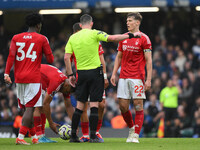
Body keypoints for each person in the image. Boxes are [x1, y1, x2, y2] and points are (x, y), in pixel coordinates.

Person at [64, 14, 140, 143]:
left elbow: (66, 58)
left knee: (80, 105)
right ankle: (93, 136)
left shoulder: (73, 37)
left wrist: (70, 75)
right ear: (91, 23)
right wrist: (130, 35)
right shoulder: (95, 34)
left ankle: (73, 136)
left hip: (81, 73)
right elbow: (113, 38)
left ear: (81, 25)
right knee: (94, 104)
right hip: (95, 73)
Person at [4, 13, 54, 145]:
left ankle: (33, 137)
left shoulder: (16, 37)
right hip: (33, 78)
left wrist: (6, 73)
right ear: (39, 25)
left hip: (19, 78)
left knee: (27, 108)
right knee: (31, 108)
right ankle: (20, 137)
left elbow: (11, 56)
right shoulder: (42, 38)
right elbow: (50, 59)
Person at [111, 12, 152, 143]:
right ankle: (131, 128)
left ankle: (136, 135)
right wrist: (113, 73)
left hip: (137, 77)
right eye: (127, 20)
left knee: (138, 105)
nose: (127, 22)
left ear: (137, 23)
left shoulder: (144, 38)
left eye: (130, 20)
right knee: (123, 106)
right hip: (123, 76)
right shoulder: (123, 37)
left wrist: (149, 79)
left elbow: (149, 60)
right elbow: (119, 56)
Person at [70, 22, 109, 142]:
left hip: (96, 75)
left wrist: (105, 76)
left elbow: (102, 59)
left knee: (101, 104)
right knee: (83, 106)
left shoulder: (93, 40)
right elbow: (68, 59)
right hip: (81, 77)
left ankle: (96, 132)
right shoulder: (74, 42)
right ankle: (86, 134)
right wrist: (70, 75)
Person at [33, 64, 75, 143]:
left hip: (40, 76)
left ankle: (41, 136)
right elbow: (46, 103)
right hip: (34, 75)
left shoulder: (65, 85)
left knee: (41, 107)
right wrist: (51, 123)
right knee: (38, 106)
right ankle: (39, 136)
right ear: (66, 86)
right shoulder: (57, 82)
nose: (67, 93)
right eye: (68, 91)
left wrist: (74, 124)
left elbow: (69, 106)